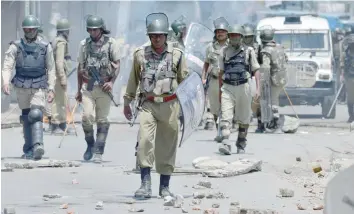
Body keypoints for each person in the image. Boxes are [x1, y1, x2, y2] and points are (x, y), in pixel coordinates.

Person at [123, 12, 189, 199]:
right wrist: (127, 102)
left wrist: (188, 109)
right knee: (144, 141)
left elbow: (184, 82)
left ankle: (164, 187)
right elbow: (133, 79)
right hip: (148, 104)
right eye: (153, 35)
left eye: (160, 35)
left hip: (170, 104)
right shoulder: (140, 55)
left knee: (167, 145)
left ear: (166, 36)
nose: (156, 38)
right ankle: (145, 185)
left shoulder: (177, 55)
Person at [1, 15, 56, 159]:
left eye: (32, 29)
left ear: (36, 29)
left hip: (39, 85)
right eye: (27, 29)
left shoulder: (45, 46)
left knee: (36, 114)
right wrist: (5, 82)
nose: (29, 31)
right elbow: (7, 65)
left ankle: (38, 145)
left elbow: (51, 68)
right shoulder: (16, 46)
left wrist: (51, 88)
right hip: (21, 85)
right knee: (26, 116)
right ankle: (28, 148)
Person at [76, 15, 121, 163]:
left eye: (95, 29)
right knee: (87, 117)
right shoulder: (84, 44)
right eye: (90, 29)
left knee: (102, 120)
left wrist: (112, 83)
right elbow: (80, 68)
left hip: (104, 87)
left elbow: (117, 65)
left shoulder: (111, 44)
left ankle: (98, 151)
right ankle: (90, 145)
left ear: (101, 29)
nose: (92, 32)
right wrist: (78, 90)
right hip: (88, 86)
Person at [217, 24, 260, 155]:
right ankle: (225, 142)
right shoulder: (223, 51)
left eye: (236, 35)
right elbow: (221, 72)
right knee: (226, 116)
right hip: (228, 87)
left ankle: (241, 143)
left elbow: (256, 69)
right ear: (229, 37)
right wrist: (220, 90)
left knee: (244, 117)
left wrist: (258, 89)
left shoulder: (249, 51)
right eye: (231, 35)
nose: (234, 37)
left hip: (244, 87)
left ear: (241, 37)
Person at [255, 28, 288, 133]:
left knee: (270, 102)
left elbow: (265, 68)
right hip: (282, 78)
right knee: (275, 100)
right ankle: (271, 124)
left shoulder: (266, 50)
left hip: (272, 79)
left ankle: (275, 125)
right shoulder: (280, 47)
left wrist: (261, 83)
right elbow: (286, 60)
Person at [201, 17, 229, 136]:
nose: (220, 34)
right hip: (213, 80)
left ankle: (225, 130)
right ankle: (219, 131)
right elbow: (206, 63)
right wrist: (203, 78)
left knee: (226, 106)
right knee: (214, 107)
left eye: (222, 31)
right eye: (218, 31)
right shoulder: (210, 47)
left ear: (227, 33)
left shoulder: (231, 46)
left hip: (227, 81)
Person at [50, 18, 73, 134]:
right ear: (66, 31)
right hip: (58, 76)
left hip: (56, 75)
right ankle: (56, 125)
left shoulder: (56, 40)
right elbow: (59, 62)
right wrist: (63, 78)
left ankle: (60, 123)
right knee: (59, 100)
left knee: (59, 100)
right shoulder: (61, 43)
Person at [341, 39, 354, 123]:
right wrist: (342, 76)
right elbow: (342, 66)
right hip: (349, 78)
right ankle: (351, 116)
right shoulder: (345, 55)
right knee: (350, 99)